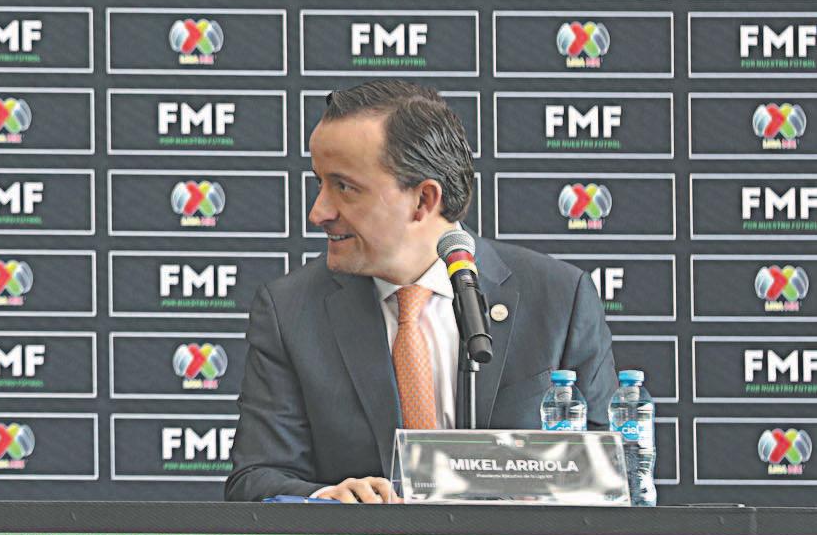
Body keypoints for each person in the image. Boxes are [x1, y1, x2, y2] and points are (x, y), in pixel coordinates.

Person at [225, 80, 618, 503]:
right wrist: (326, 499)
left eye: (344, 187)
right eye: (319, 183)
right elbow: (256, 479)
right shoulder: (289, 311)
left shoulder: (559, 298)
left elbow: (612, 480)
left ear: (423, 200)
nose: (318, 212)